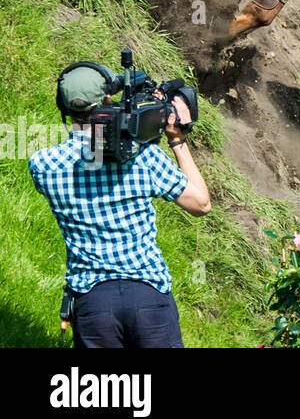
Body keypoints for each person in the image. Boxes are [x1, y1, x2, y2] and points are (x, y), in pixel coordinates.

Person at [32, 63, 211, 347]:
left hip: (92, 303)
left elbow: (86, 155)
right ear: (106, 100)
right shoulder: (143, 158)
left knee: (108, 392)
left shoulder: (43, 166)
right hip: (148, 295)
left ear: (62, 107)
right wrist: (177, 140)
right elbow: (201, 203)